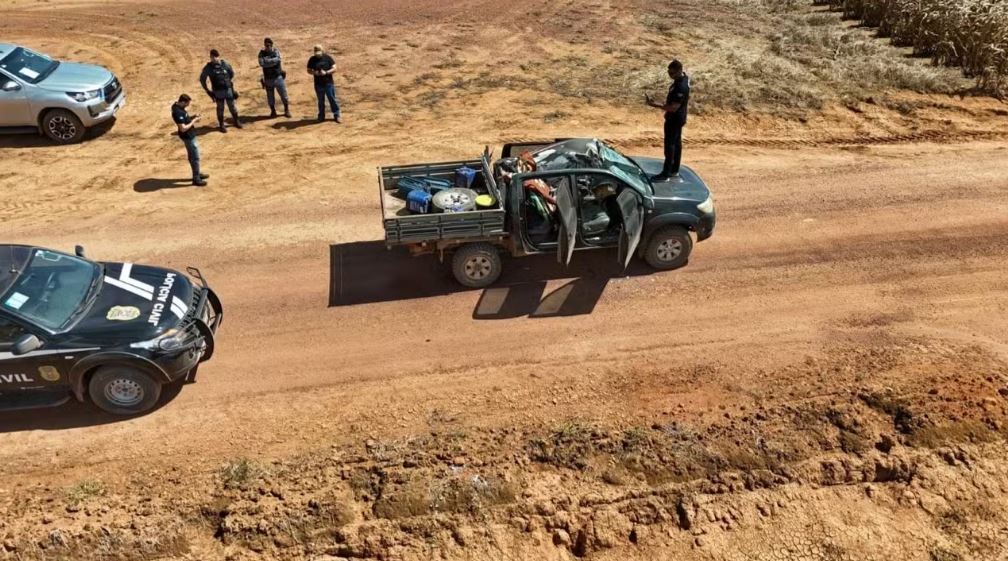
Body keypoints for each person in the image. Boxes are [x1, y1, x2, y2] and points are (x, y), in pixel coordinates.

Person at [646, 59, 690, 180]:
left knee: (670, 146)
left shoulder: (681, 87)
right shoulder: (683, 78)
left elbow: (673, 108)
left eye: (672, 73)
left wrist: (655, 104)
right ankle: (675, 169)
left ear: (679, 71)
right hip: (678, 117)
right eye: (669, 73)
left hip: (674, 119)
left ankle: (666, 173)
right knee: (676, 144)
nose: (670, 76)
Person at [200, 49, 243, 132]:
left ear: (218, 56)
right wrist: (208, 91)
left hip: (228, 89)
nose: (214, 59)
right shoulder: (208, 68)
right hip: (218, 91)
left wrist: (228, 84)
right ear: (210, 57)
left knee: (232, 106)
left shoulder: (225, 64)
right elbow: (202, 79)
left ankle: (236, 121)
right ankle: (221, 125)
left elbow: (231, 74)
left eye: (215, 57)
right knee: (220, 108)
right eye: (212, 57)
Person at [171, 94, 209, 186]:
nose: (188, 105)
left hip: (190, 135)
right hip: (188, 137)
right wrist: (194, 121)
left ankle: (197, 173)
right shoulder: (177, 112)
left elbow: (184, 119)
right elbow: (183, 128)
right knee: (194, 158)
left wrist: (192, 117)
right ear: (183, 102)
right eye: (187, 104)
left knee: (194, 156)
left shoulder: (177, 106)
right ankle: (196, 179)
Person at [306, 45, 341, 123]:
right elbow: (308, 70)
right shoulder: (312, 59)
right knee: (320, 101)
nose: (318, 55)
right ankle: (321, 116)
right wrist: (315, 73)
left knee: (332, 99)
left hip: (328, 83)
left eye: (319, 53)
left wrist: (326, 72)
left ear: (322, 51)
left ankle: (337, 115)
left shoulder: (327, 58)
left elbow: (335, 68)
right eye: (316, 53)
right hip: (318, 84)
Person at [258, 37, 290, 118]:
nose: (267, 47)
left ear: (271, 45)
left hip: (278, 77)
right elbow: (262, 64)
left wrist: (267, 62)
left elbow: (278, 60)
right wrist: (272, 61)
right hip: (268, 79)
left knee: (284, 95)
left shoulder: (276, 51)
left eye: (268, 45)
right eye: (266, 45)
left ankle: (287, 110)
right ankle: (273, 111)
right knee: (270, 97)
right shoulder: (261, 53)